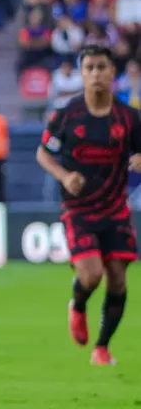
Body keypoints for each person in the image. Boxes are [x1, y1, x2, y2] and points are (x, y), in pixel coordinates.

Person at [36, 45, 141, 366]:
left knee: (119, 278)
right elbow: (43, 154)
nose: (96, 74)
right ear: (82, 75)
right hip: (78, 210)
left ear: (113, 73)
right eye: (90, 68)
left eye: (102, 67)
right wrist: (65, 176)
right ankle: (78, 306)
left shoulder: (130, 118)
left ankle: (102, 347)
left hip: (115, 208)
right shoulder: (66, 115)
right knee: (92, 275)